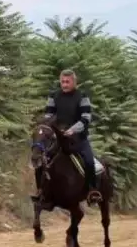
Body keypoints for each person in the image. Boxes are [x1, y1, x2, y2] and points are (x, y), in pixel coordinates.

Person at [37, 69, 102, 206]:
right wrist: (51, 127)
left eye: (68, 82)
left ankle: (92, 191)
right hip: (58, 138)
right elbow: (49, 115)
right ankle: (41, 191)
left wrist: (71, 130)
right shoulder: (53, 96)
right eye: (62, 82)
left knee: (89, 161)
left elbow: (86, 118)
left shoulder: (82, 96)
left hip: (78, 138)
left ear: (74, 82)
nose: (65, 85)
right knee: (39, 159)